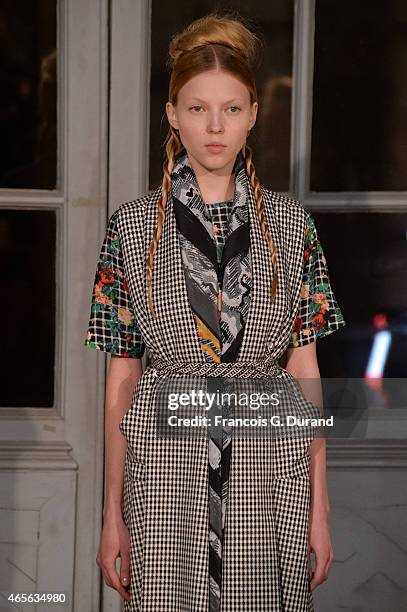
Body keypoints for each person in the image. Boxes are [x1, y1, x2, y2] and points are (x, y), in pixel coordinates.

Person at [84, 12, 346, 612]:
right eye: (197, 108)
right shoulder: (131, 228)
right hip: (164, 476)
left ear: (253, 114)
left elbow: (305, 372)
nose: (214, 126)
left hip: (269, 473)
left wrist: (319, 508)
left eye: (231, 109)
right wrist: (111, 515)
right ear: (173, 114)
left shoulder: (291, 225)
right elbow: (122, 378)